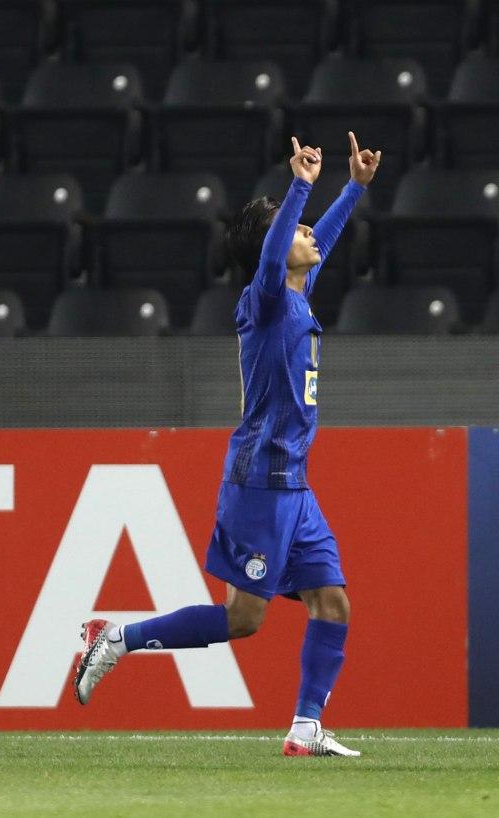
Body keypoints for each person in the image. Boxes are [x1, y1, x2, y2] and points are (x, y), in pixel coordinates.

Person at [74, 132, 381, 757]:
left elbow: (315, 244)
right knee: (244, 620)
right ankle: (116, 639)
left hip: (295, 485)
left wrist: (353, 188)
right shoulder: (264, 301)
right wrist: (298, 187)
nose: (308, 234)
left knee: (333, 602)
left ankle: (305, 729)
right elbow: (280, 253)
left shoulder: (296, 293)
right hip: (260, 480)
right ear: (272, 248)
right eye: (295, 227)